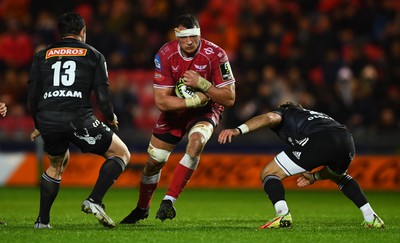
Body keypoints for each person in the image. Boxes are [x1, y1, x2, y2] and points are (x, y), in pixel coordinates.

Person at [120, 14, 235, 224]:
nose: (190, 41)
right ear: (177, 35)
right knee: (154, 164)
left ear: (199, 34)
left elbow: (229, 98)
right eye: (185, 37)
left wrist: (204, 85)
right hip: (175, 113)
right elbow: (162, 102)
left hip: (206, 111)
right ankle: (142, 208)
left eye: (194, 36)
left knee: (197, 141)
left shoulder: (216, 54)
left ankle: (168, 201)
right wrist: (193, 102)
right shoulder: (165, 53)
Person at [28, 12, 130, 229]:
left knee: (56, 164)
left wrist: (38, 124)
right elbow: (103, 97)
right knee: (121, 153)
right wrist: (110, 118)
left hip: (48, 118)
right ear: (82, 32)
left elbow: (33, 96)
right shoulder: (93, 55)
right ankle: (94, 200)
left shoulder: (41, 55)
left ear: (60, 32)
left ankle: (42, 221)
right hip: (78, 118)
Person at [218, 101, 384, 229]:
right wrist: (314, 176)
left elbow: (268, 118)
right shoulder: (316, 115)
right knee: (340, 177)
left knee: (269, 173)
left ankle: (282, 215)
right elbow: (332, 171)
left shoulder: (286, 112)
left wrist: (238, 130)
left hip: (319, 140)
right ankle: (371, 217)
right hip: (347, 141)